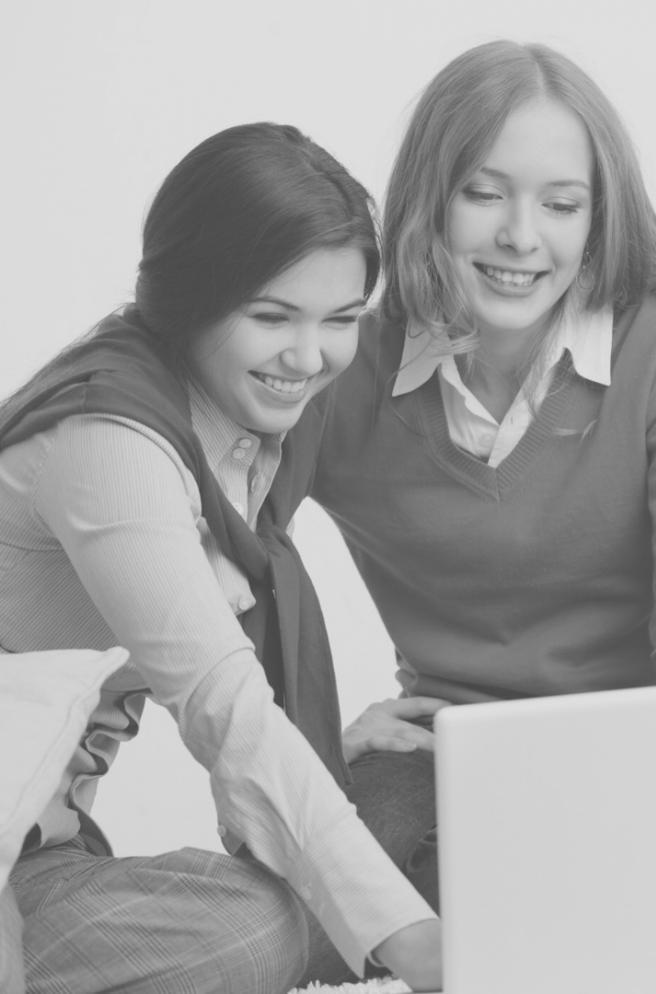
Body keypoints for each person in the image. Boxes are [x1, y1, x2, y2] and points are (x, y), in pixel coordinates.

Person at [302, 39, 656, 981]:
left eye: (560, 204)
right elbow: (232, 553)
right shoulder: (350, 360)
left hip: (643, 743)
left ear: (598, 218)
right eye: (484, 192)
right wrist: (308, 736)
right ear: (430, 196)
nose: (522, 237)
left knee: (645, 899)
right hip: (452, 754)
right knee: (314, 910)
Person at [0, 123, 440, 993]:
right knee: (257, 933)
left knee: (349, 856)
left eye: (340, 319)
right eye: (272, 317)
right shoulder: (110, 444)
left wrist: (327, 747)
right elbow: (217, 700)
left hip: (40, 852)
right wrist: (422, 948)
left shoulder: (245, 435)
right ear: (187, 299)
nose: (308, 358)